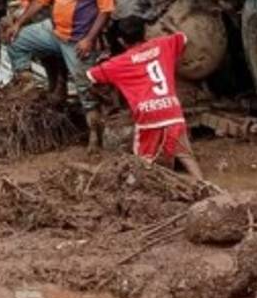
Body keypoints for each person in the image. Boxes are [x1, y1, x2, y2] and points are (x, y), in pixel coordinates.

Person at [3, 0, 114, 147]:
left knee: (86, 90)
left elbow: (105, 10)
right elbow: (40, 0)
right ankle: (29, 87)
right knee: (16, 41)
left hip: (79, 40)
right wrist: (18, 23)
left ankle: (95, 136)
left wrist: (89, 39)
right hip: (54, 31)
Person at [87, 21, 204, 181]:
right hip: (172, 110)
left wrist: (102, 59)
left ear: (121, 41)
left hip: (148, 115)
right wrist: (169, 26)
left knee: (143, 160)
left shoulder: (119, 62)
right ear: (145, 33)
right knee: (186, 155)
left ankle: (138, 187)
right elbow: (182, 37)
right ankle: (204, 186)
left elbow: (91, 76)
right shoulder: (164, 44)